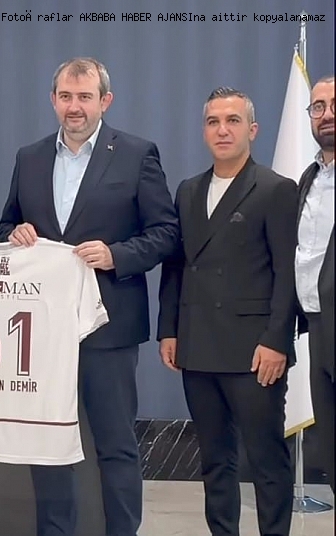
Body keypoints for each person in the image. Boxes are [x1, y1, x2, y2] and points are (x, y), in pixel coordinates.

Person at [0, 57, 179, 536]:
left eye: (84, 97)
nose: (74, 106)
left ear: (105, 101)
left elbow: (166, 233)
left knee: (116, 444)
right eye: (65, 96)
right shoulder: (30, 157)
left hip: (109, 326)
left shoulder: (137, 154)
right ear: (53, 100)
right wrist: (14, 232)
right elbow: (5, 223)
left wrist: (117, 254)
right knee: (48, 443)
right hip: (41, 329)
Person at [158, 87, 297, 535]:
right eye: (213, 122)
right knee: (215, 461)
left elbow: (287, 272)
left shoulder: (276, 189)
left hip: (254, 351)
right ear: (204, 131)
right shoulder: (188, 190)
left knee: (267, 460)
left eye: (233, 121)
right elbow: (176, 266)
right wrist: (169, 330)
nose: (223, 130)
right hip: (198, 346)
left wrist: (277, 340)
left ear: (252, 130)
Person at [296, 75, 335, 492]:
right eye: (318, 107)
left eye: (335, 105)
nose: (326, 115)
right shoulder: (310, 177)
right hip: (318, 328)